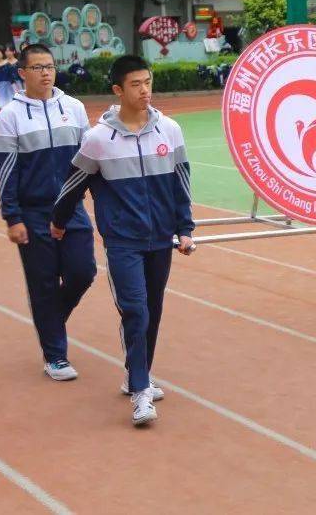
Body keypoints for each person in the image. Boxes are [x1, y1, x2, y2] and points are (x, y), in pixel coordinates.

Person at [51, 55, 195, 427]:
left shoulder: (171, 131)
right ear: (118, 90)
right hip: (123, 241)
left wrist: (185, 228)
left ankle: (136, 373)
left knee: (154, 311)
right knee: (135, 308)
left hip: (161, 238)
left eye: (148, 82)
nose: (145, 90)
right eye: (136, 84)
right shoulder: (98, 140)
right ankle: (141, 390)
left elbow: (181, 182)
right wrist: (58, 221)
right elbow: (73, 184)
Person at [0, 42, 97, 382]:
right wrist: (13, 217)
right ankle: (55, 356)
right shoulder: (10, 115)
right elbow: (6, 170)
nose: (46, 72)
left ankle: (51, 320)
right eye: (37, 67)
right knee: (43, 284)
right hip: (33, 212)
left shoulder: (74, 108)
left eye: (50, 66)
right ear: (22, 73)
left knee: (83, 272)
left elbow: (89, 160)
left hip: (71, 209)